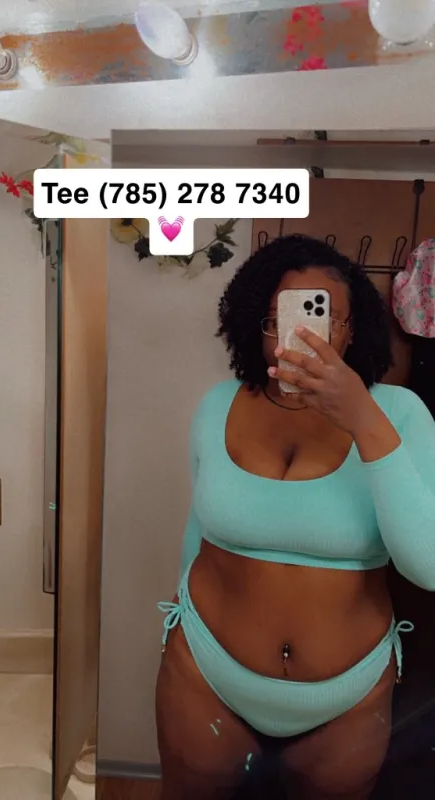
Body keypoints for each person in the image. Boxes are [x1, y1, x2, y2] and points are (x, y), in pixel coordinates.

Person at [156, 234, 435, 800]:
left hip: (348, 698)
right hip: (205, 675)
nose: (305, 334)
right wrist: (178, 624)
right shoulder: (217, 405)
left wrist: (363, 417)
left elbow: (427, 566)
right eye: (281, 318)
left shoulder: (400, 413)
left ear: (351, 330)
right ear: (258, 326)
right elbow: (200, 529)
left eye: (324, 316)